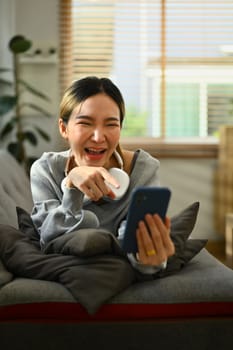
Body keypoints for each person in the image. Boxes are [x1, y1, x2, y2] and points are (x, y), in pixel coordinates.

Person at [30, 76, 175, 274]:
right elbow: (47, 239)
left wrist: (146, 257)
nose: (98, 137)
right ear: (64, 129)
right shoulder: (45, 170)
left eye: (111, 124)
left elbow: (137, 245)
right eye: (85, 123)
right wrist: (72, 187)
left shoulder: (144, 169)